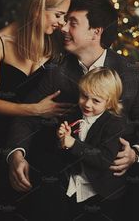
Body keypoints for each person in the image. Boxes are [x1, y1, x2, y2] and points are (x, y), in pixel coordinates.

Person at [7, 0, 139, 221]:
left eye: (73, 22)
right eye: (64, 21)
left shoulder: (131, 74)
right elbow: (27, 115)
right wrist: (16, 155)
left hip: (115, 164)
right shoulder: (58, 72)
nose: (63, 27)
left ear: (95, 32)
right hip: (70, 161)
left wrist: (135, 154)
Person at [0, 0, 72, 220]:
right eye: (58, 15)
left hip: (35, 139)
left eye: (65, 17)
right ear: (38, 7)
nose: (62, 23)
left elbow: (98, 56)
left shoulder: (56, 46)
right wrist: (35, 109)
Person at [57, 67, 131, 221]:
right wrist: (63, 139)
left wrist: (73, 144)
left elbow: (104, 159)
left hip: (102, 191)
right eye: (84, 96)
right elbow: (66, 152)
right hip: (75, 185)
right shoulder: (74, 115)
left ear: (109, 103)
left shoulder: (115, 124)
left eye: (96, 100)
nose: (87, 104)